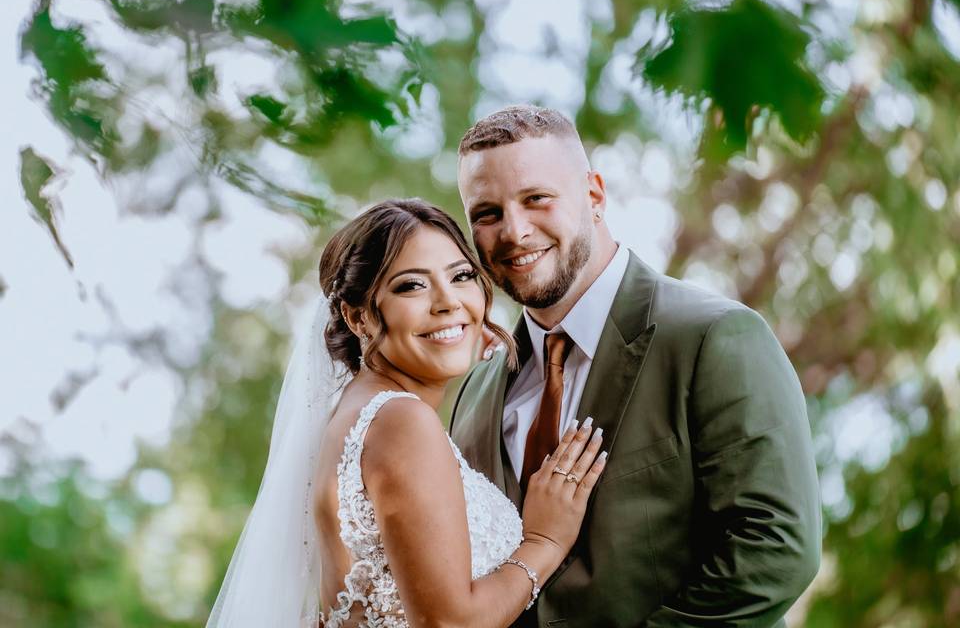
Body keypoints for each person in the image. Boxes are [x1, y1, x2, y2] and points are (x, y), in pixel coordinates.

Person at [451, 105, 821, 627]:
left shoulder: (713, 337)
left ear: (594, 195)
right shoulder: (474, 391)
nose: (513, 231)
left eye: (536, 199)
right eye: (487, 214)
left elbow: (776, 548)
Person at [206, 199, 608, 628]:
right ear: (357, 317)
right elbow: (449, 624)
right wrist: (544, 541)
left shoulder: (356, 415)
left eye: (461, 276)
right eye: (412, 286)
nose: (447, 302)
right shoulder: (400, 422)